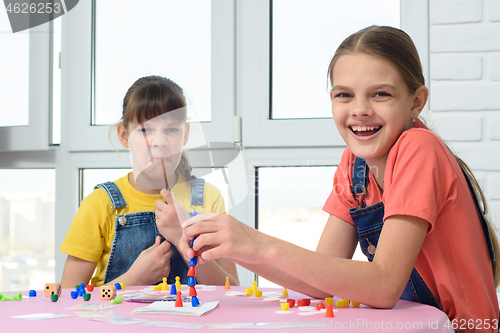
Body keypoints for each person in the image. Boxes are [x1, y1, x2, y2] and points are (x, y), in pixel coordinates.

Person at [180, 26, 499, 330]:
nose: (360, 109)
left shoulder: (420, 149)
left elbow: (385, 285)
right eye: (344, 95)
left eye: (380, 94)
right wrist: (234, 247)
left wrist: (259, 244)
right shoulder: (355, 164)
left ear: (416, 101)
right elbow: (318, 282)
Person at [60, 75, 239, 288]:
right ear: (124, 135)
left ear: (186, 134)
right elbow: (69, 300)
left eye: (172, 129)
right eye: (145, 130)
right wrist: (132, 279)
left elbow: (230, 291)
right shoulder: (99, 204)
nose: (160, 142)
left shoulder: (208, 199)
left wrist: (183, 240)